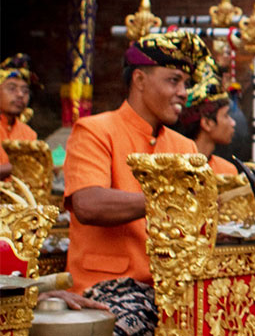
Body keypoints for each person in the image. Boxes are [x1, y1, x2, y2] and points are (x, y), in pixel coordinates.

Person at [62, 31, 209, 336]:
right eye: (174, 80)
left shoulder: (186, 148)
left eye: (186, 83)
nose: (184, 92)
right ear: (139, 80)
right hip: (106, 288)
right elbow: (87, 204)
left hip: (175, 286)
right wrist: (168, 201)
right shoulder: (94, 131)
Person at [175, 58, 238, 175]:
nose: (233, 122)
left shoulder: (227, 171)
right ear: (207, 123)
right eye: (226, 116)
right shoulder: (176, 167)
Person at [0, 53, 39, 180]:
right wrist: (17, 167)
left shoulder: (28, 134)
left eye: (25, 90)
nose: (20, 94)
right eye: (12, 89)